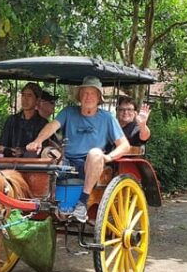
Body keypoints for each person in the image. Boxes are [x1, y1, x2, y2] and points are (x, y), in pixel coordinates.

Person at [26, 76, 129, 223]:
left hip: (91, 165)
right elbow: (52, 126)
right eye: (85, 93)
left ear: (99, 97)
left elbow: (125, 146)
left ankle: (82, 202)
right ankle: (47, 200)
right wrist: (38, 141)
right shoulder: (69, 111)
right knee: (46, 151)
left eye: (92, 93)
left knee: (95, 153)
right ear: (79, 96)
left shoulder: (107, 118)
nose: (88, 97)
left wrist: (108, 157)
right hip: (66, 162)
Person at [0, 82, 47, 157]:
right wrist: (10, 151)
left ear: (37, 100)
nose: (25, 99)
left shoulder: (43, 123)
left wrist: (23, 152)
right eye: (23, 95)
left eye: (29, 96)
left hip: (33, 165)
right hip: (10, 163)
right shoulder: (12, 120)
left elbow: (43, 150)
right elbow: (2, 146)